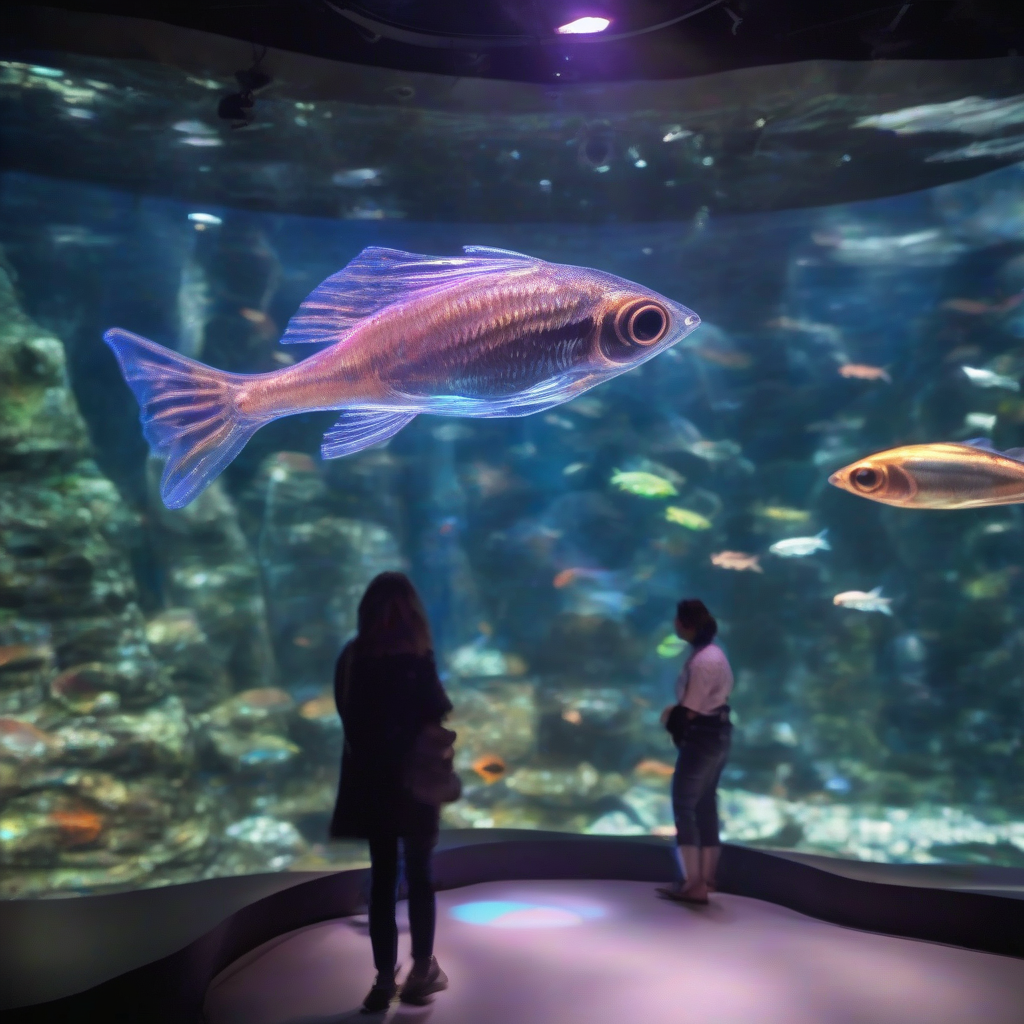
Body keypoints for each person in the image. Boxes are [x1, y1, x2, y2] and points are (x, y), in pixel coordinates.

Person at [330, 572, 453, 1013]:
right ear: (413, 613)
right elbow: (437, 710)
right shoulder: (418, 658)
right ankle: (423, 972)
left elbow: (345, 712)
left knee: (383, 878)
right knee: (420, 875)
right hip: (416, 784)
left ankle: (383, 981)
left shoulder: (353, 656)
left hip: (373, 785)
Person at [657, 598, 733, 905]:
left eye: (678, 620)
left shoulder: (703, 661)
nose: (675, 625)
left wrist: (671, 719)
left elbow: (691, 708)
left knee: (684, 805)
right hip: (719, 732)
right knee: (704, 804)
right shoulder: (714, 654)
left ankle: (694, 883)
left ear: (687, 624)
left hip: (703, 736)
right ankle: (708, 878)